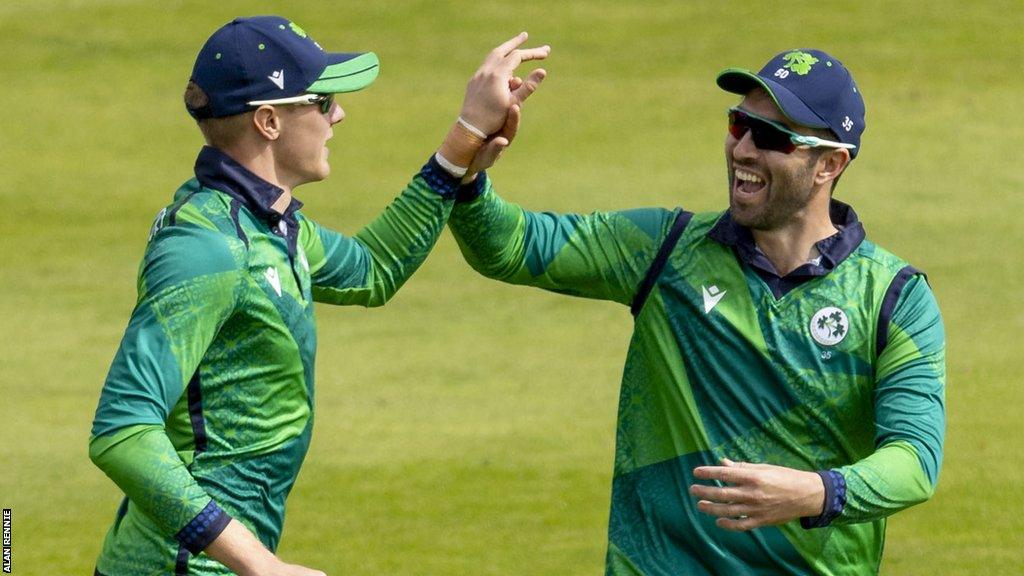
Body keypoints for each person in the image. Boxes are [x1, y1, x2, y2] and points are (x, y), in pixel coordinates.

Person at [450, 49, 945, 575]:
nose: (744, 149)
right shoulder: (664, 250)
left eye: (772, 137)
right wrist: (468, 167)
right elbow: (507, 245)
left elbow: (914, 463)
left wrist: (814, 492)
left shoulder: (894, 296)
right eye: (740, 124)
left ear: (830, 163)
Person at [88, 16, 548, 576]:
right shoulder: (208, 249)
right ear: (268, 121)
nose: (339, 115)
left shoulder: (265, 225)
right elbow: (123, 431)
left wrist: (464, 140)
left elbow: (374, 269)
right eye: (323, 101)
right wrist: (260, 564)